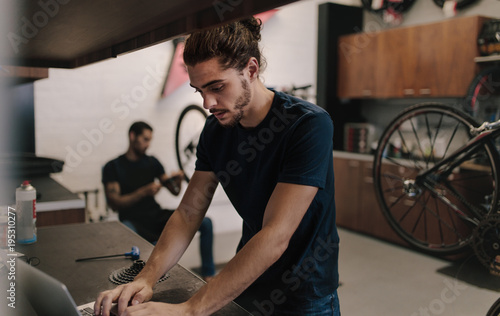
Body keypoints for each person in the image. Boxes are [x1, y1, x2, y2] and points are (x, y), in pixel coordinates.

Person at [95, 17, 340, 316]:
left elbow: (275, 235)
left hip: (305, 296)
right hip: (246, 284)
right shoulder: (215, 131)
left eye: (217, 87)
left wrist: (189, 310)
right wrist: (146, 278)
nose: (207, 103)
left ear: (250, 69)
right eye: (199, 90)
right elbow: (187, 213)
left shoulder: (308, 125)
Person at [102, 121, 216, 280]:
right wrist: (143, 192)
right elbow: (114, 203)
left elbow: (174, 192)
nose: (148, 144)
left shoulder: (152, 162)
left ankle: (209, 274)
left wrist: (177, 180)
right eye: (145, 139)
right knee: (130, 236)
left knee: (206, 222)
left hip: (154, 215)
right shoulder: (113, 167)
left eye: (150, 140)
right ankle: (138, 279)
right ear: (132, 136)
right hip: (132, 220)